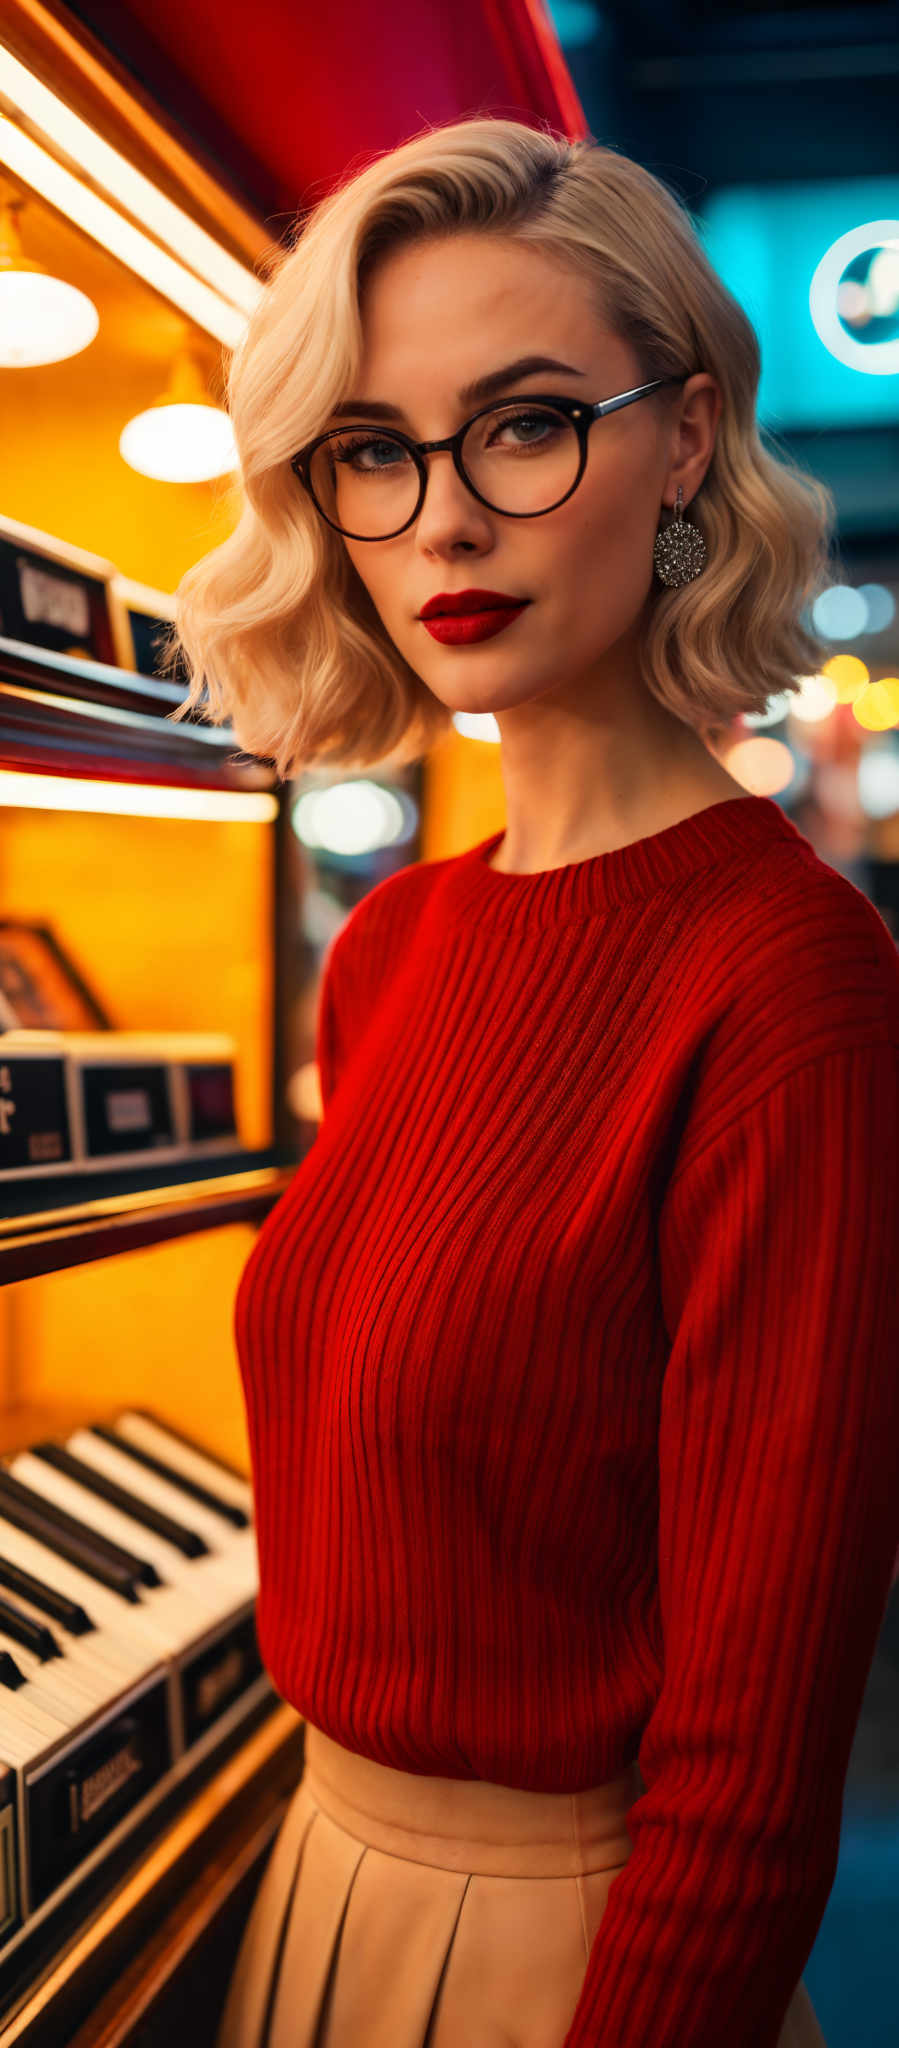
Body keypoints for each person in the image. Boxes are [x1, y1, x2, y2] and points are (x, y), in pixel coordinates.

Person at [165, 116, 899, 2048]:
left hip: (572, 1957)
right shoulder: (397, 946)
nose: (443, 525)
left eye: (523, 422)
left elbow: (756, 1750)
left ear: (680, 443)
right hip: (313, 1878)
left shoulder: (789, 979)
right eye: (374, 452)